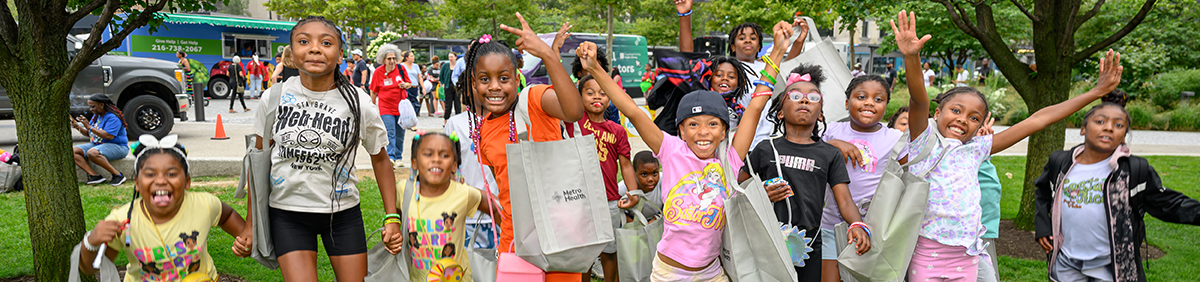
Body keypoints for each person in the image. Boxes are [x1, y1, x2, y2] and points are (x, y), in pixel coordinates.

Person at [891, 10, 1124, 281]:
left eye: (973, 118)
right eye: (955, 110)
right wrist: (911, 56)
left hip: (967, 255)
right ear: (937, 113)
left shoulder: (977, 149)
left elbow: (1038, 119)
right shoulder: (923, 144)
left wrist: (1095, 93)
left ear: (980, 126)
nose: (962, 120)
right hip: (928, 253)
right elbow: (919, 99)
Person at [611, 19, 792, 281]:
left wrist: (777, 50)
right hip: (668, 274)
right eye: (693, 124)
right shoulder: (671, 150)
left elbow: (756, 106)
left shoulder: (730, 158)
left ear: (724, 130)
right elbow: (630, 109)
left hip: (712, 273)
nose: (703, 132)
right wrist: (595, 68)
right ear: (681, 131)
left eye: (713, 124)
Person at [244, 16, 401, 282]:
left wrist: (392, 217)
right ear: (291, 54)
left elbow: (381, 159)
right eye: (304, 41)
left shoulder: (358, 102)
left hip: (342, 214)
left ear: (340, 54)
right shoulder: (274, 97)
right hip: (288, 213)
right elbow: (257, 164)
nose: (315, 48)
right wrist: (250, 224)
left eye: (326, 43)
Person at [461, 13, 585, 281]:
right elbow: (505, 189)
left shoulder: (533, 100)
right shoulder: (481, 131)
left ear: (517, 80)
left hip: (559, 235)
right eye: (485, 79)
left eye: (503, 78)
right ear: (473, 83)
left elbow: (574, 111)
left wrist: (547, 54)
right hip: (514, 242)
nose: (495, 87)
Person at [1034, 90, 1200, 282]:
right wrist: (1042, 226)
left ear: (1123, 137)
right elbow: (1043, 191)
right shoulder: (1060, 163)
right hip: (1066, 264)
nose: (1109, 128)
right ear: (1083, 128)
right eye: (1100, 121)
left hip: (1112, 268)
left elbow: (1169, 204)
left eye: (1118, 125)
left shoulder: (1134, 170)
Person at [740, 63, 871, 279]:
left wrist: (857, 224)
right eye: (795, 96)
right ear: (780, 112)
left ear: (820, 115)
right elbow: (739, 187)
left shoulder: (830, 154)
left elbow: (845, 201)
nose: (804, 100)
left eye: (813, 98)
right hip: (765, 241)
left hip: (809, 244)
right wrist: (760, 193)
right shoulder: (765, 148)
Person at [77, 136, 250, 280]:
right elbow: (90, 268)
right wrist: (91, 242)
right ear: (137, 183)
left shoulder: (204, 204)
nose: (160, 180)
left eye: (171, 174)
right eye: (150, 174)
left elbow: (226, 216)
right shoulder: (121, 220)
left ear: (187, 182)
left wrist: (244, 237)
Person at [818, 75, 902, 282]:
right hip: (832, 224)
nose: (869, 103)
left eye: (878, 99)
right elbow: (808, 150)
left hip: (875, 228)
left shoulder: (894, 138)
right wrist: (834, 144)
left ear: (886, 106)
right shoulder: (831, 132)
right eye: (861, 96)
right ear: (847, 103)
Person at [387, 132, 500, 282]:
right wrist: (391, 234)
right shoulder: (404, 190)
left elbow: (497, 207)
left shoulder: (463, 193)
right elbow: (397, 222)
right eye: (428, 154)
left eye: (444, 155)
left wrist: (508, 239)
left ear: (454, 165)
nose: (436, 160)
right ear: (414, 163)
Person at [565, 74, 635, 282]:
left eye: (603, 93)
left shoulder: (618, 131)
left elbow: (626, 165)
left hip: (610, 200)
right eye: (590, 92)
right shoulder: (573, 123)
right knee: (583, 252)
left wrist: (633, 192)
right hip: (580, 200)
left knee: (610, 249)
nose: (597, 97)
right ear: (580, 96)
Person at [443, 110, 499, 250]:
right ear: (470, 86)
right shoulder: (455, 124)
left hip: (505, 220)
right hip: (467, 220)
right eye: (482, 85)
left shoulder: (514, 121)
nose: (493, 87)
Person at [71, 94, 129, 186]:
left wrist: (89, 126)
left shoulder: (112, 117)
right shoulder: (96, 117)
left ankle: (118, 175)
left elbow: (108, 136)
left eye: (93, 106)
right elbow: (89, 133)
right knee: (73, 151)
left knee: (92, 153)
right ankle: (95, 176)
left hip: (118, 147)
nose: (91, 109)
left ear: (102, 105)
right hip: (98, 145)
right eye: (90, 106)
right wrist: (78, 127)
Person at [370, 45, 413, 168]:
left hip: (401, 108)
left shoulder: (401, 69)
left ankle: (398, 157)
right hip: (385, 107)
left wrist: (405, 85)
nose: (392, 61)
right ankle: (391, 157)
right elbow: (373, 91)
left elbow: (410, 84)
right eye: (389, 59)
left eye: (394, 58)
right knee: (390, 132)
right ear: (383, 59)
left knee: (400, 133)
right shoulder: (378, 72)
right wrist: (372, 107)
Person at [619, 150, 663, 221]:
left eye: (655, 173)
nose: (650, 179)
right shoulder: (622, 188)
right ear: (633, 173)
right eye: (644, 174)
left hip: (658, 219)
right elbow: (615, 211)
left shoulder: (664, 180)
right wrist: (637, 229)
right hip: (632, 222)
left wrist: (655, 221)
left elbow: (671, 203)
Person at [401, 51, 424, 115]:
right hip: (406, 88)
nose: (413, 57)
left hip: (415, 87)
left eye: (413, 56)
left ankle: (412, 116)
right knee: (410, 103)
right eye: (411, 56)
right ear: (406, 58)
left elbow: (419, 77)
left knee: (414, 103)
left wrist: (423, 87)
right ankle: (409, 116)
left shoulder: (416, 66)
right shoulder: (401, 65)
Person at [441, 52, 461, 121]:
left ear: (455, 57)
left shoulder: (458, 65)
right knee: (448, 105)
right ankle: (446, 120)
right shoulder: (445, 65)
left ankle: (458, 120)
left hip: (457, 87)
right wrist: (443, 84)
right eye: (449, 57)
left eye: (452, 57)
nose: (450, 58)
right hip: (448, 86)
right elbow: (441, 76)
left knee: (457, 105)